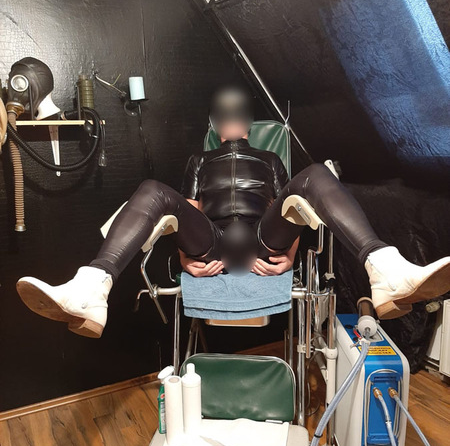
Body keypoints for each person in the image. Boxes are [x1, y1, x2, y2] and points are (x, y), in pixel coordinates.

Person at [16, 83, 450, 338]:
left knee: (316, 175)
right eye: (225, 116)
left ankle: (386, 271)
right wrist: (185, 258)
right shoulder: (199, 160)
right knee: (152, 189)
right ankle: (93, 290)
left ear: (247, 123)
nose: (232, 122)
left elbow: (292, 209)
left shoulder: (271, 159)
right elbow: (185, 213)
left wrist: (291, 257)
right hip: (211, 244)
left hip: (263, 241)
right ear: (217, 124)